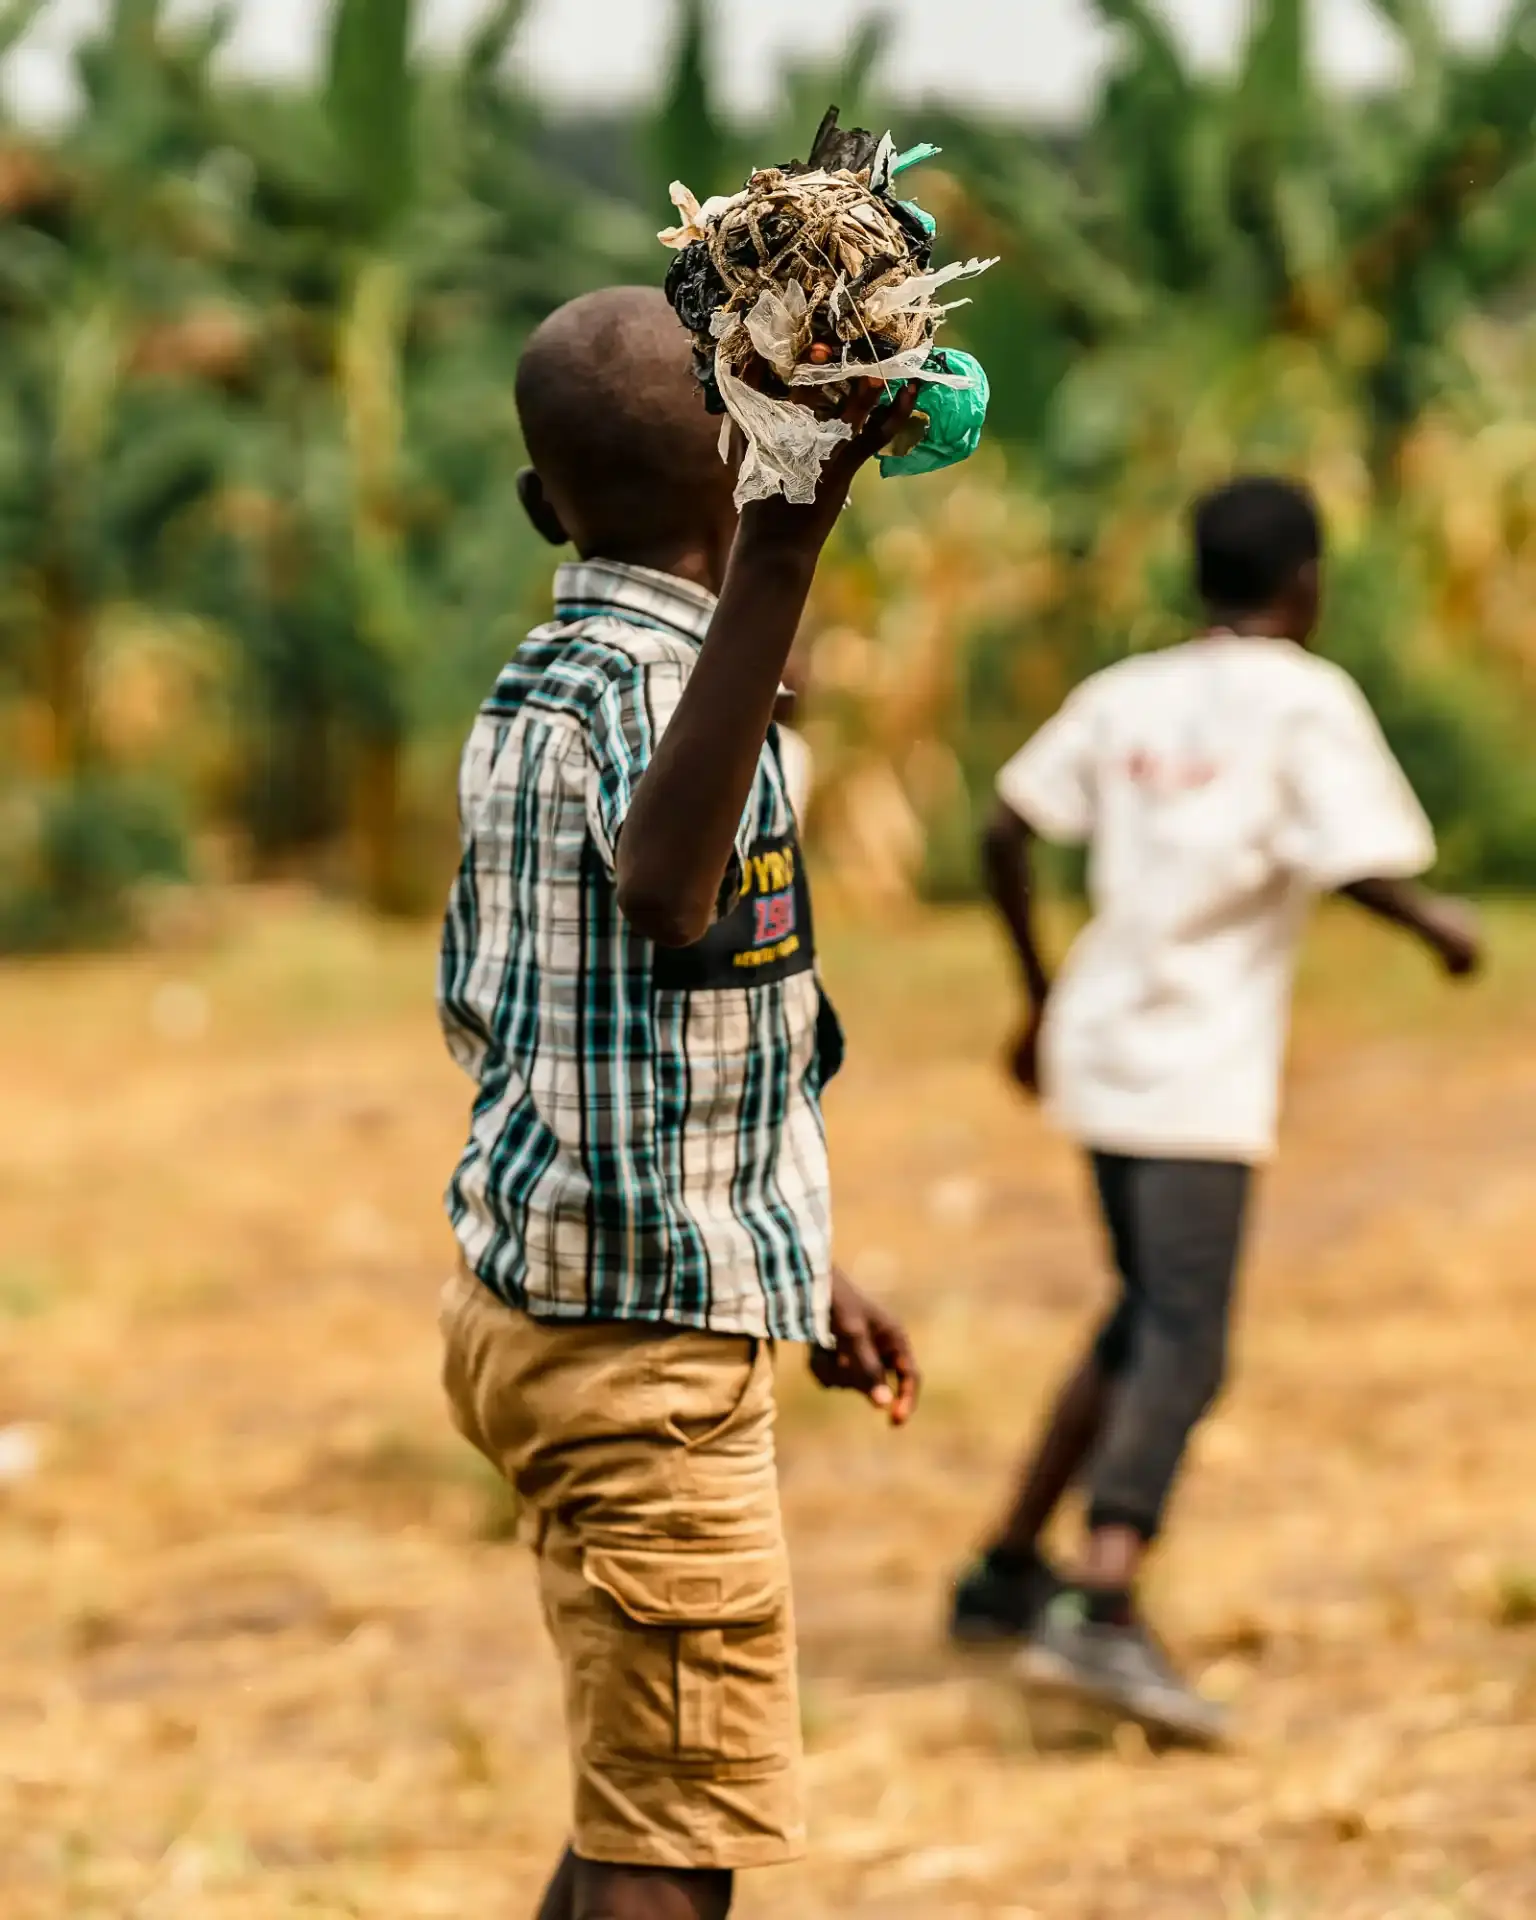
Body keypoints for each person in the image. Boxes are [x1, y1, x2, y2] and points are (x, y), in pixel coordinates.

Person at [436, 285, 921, 1920]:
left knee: (639, 1795)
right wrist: (782, 546)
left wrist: (803, 1263)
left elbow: (606, 1027)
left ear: (536, 510)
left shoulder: (540, 685)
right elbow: (664, 893)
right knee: (674, 1852)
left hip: (560, 1310)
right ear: (747, 465)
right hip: (638, 1354)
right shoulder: (667, 698)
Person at [951, 475, 1482, 1745]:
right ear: (1305, 583)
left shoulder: (1127, 692)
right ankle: (1103, 1599)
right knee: (1187, 1335)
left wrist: (1036, 996)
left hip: (1102, 1037)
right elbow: (1351, 859)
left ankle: (1006, 1572)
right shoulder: (1306, 699)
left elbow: (1004, 831)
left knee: (1143, 1313)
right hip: (1192, 1066)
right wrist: (1440, 929)